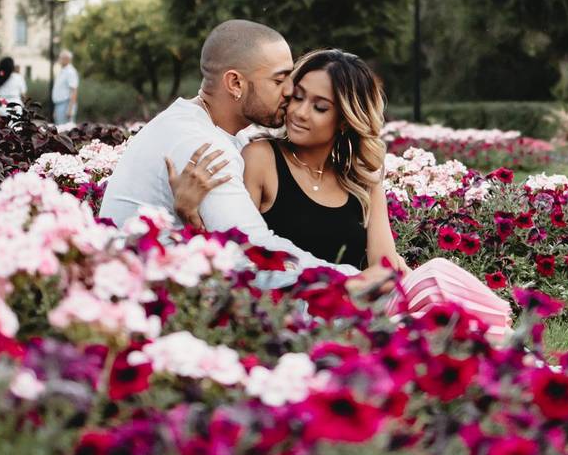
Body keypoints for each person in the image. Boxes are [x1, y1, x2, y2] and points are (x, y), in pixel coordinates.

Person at [168, 48, 512, 342]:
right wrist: (188, 213)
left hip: (365, 313)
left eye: (320, 106)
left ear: (345, 120)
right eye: (297, 97)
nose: (300, 113)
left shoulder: (361, 179)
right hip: (300, 315)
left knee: (435, 286)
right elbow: (236, 250)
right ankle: (502, 349)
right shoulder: (262, 159)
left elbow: (386, 266)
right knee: (435, 280)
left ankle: (496, 350)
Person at [99, 20, 393, 291]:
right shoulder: (202, 145)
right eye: (280, 81)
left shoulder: (216, 130)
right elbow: (252, 248)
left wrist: (189, 217)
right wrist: (353, 280)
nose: (290, 91)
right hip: (145, 301)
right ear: (236, 83)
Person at [52, 49, 79, 126]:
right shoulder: (62, 71)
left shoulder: (71, 72)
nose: (59, 60)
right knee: (60, 130)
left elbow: (74, 91)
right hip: (59, 105)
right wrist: (55, 110)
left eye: (60, 58)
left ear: (67, 59)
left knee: (66, 131)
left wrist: (70, 109)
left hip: (66, 105)